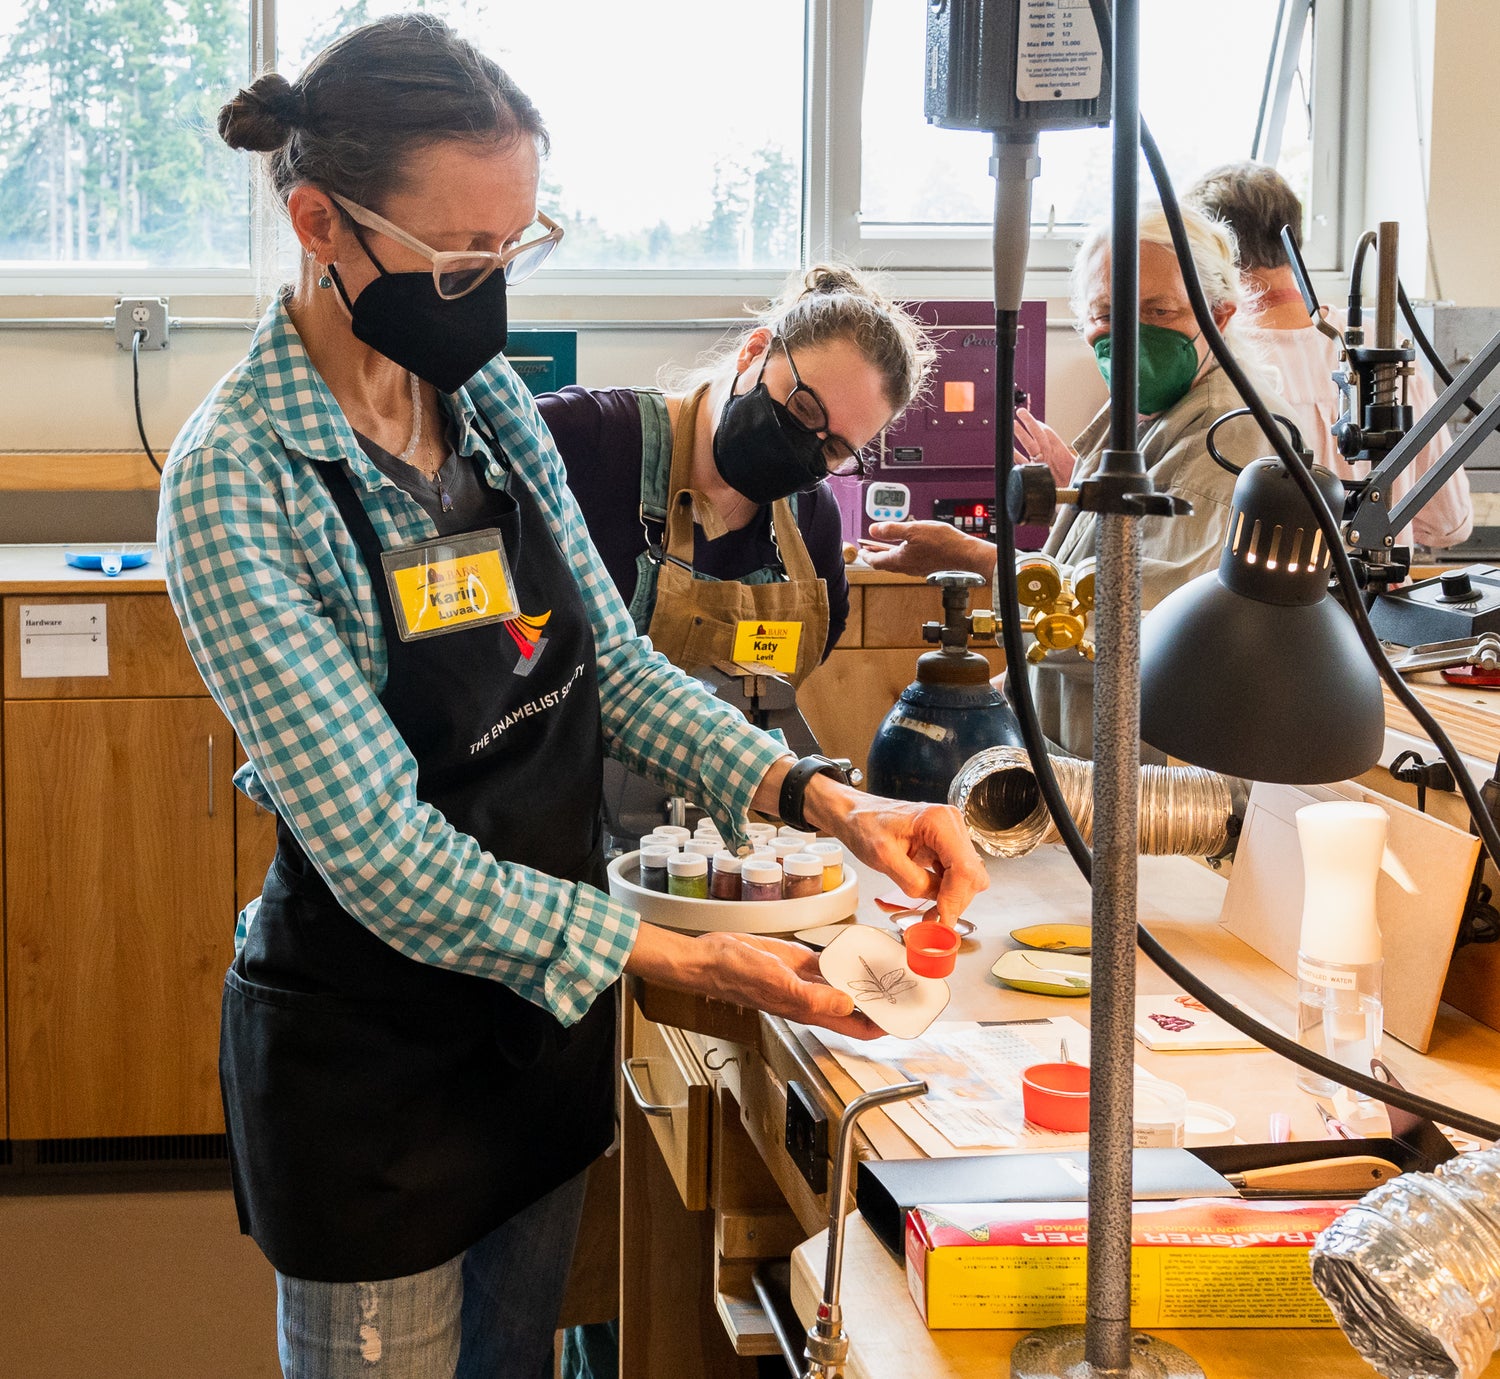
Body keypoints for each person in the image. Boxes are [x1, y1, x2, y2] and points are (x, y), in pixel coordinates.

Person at [159, 16, 988, 1377]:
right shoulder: (242, 479)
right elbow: (382, 852)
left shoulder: (480, 398)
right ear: (321, 222)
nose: (490, 285)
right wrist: (682, 955)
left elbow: (615, 671)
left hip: (535, 1035)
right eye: (461, 254)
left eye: (517, 244)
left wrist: (824, 798)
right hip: (377, 1069)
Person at [861, 203, 1290, 756]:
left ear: (1220, 315)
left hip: (1148, 784)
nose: (1129, 335)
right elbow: (1076, 595)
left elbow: (1133, 631)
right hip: (1076, 758)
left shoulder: (1230, 438)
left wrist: (974, 559)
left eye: (1157, 312)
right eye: (1107, 313)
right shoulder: (1136, 414)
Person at [539, 264, 934, 683]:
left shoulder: (811, 519)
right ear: (754, 351)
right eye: (803, 408)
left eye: (834, 448)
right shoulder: (584, 438)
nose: (806, 445)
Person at [1185, 160, 1472, 551]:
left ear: (1210, 252)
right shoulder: (1385, 348)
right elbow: (1449, 524)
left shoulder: (1213, 358)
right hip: (1379, 610)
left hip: (1261, 608)